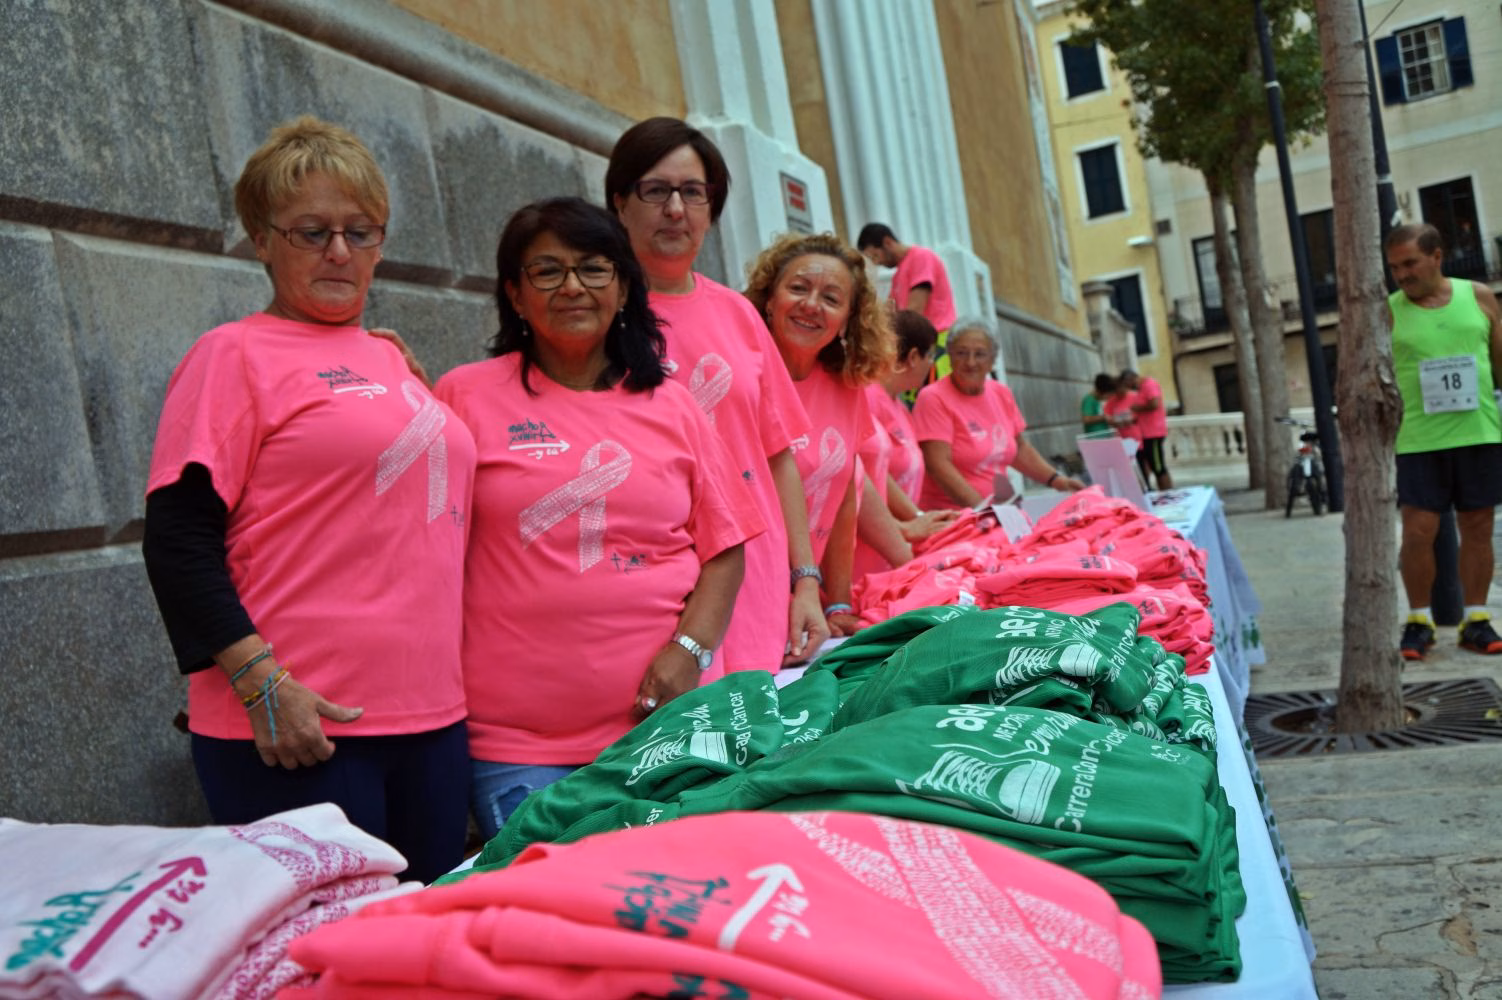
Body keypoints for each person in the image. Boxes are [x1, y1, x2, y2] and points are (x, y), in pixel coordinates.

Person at [141, 117, 478, 883]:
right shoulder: (232, 354)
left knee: (419, 953)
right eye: (311, 232)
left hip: (432, 717)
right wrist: (263, 683)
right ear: (262, 240)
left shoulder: (390, 357)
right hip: (299, 726)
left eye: (360, 231)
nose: (339, 251)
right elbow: (178, 541)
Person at [434, 197, 761, 838]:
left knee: (669, 906)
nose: (572, 287)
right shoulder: (464, 396)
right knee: (550, 920)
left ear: (622, 288)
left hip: (666, 728)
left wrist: (689, 651)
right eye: (547, 271)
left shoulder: (673, 403)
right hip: (515, 743)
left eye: (593, 268)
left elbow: (725, 547)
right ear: (515, 294)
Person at [606, 117, 827, 670]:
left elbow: (777, 458)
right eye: (655, 190)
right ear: (619, 202)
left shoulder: (738, 315)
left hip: (756, 577)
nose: (676, 209)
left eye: (693, 192)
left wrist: (805, 582)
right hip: (656, 583)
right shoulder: (600, 318)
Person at [744, 232, 895, 638]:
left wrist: (839, 599)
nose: (811, 305)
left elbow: (844, 496)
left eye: (831, 298)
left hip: (808, 604)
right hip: (743, 601)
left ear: (848, 318)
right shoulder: (742, 378)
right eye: (798, 288)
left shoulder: (847, 387)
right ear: (769, 298)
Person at [1385, 222, 1502, 660]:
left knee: (1478, 528)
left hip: (1479, 432)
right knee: (1418, 532)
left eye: (1410, 263)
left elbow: (1498, 362)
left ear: (1437, 256)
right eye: (1395, 267)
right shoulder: (1389, 310)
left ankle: (1475, 619)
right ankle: (1419, 620)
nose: (1402, 274)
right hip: (1418, 439)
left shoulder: (1480, 297)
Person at [912, 318, 1085, 509]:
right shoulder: (933, 398)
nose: (970, 362)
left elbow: (1018, 450)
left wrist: (1058, 481)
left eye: (980, 354)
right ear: (950, 356)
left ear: (992, 360)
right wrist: (983, 510)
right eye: (961, 353)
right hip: (955, 517)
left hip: (999, 510)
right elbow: (938, 465)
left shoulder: (1001, 393)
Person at [853, 310, 960, 580]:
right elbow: (866, 476)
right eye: (930, 356)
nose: (931, 365)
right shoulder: (867, 398)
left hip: (898, 542)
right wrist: (909, 523)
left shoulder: (898, 404)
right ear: (913, 357)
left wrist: (919, 520)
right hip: (867, 551)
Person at [857, 223, 957, 380]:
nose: (877, 263)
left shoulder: (921, 257)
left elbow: (915, 310)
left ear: (887, 242)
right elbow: (889, 312)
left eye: (875, 256)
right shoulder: (899, 274)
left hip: (936, 342)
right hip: (919, 345)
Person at [1120, 368, 1174, 489]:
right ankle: (1164, 492)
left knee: (1158, 467)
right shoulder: (1141, 389)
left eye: (1127, 385)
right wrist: (1133, 420)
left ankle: (1168, 492)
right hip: (1146, 433)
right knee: (1154, 465)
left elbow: (1154, 404)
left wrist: (1137, 408)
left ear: (1130, 379)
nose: (1128, 388)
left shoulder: (1149, 384)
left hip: (1154, 433)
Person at [1081, 373, 1117, 439]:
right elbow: (1086, 419)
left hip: (1105, 436)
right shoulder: (1089, 400)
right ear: (1101, 391)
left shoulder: (1099, 400)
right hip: (1095, 438)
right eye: (1108, 394)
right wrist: (1104, 417)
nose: (1109, 397)